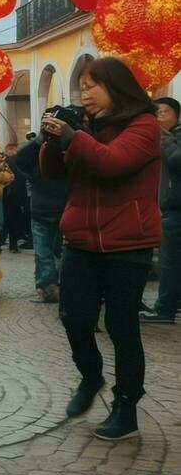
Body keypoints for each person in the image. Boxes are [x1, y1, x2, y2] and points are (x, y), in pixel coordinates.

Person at [40, 57, 161, 441]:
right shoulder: (86, 127)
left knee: (121, 325)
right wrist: (51, 141)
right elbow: (54, 173)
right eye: (82, 86)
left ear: (117, 87)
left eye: (93, 85)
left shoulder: (144, 125)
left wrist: (73, 137)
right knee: (74, 318)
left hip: (128, 241)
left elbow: (113, 163)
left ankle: (126, 406)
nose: (85, 93)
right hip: (81, 240)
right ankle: (91, 377)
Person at [139, 97, 181, 324]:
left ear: (175, 115)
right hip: (170, 207)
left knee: (169, 261)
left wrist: (164, 140)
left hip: (176, 208)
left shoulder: (173, 137)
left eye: (162, 113)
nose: (158, 118)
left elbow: (176, 160)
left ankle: (164, 310)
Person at [13, 132, 68, 303]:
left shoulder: (39, 154)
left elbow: (20, 159)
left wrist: (39, 140)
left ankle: (48, 287)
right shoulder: (68, 149)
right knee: (56, 251)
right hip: (57, 208)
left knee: (45, 252)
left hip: (46, 209)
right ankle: (56, 286)